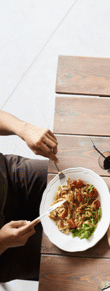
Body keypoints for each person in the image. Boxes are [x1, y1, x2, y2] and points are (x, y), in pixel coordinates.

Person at [0, 110, 57, 282]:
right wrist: (2, 242)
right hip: (5, 250)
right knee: (73, 262)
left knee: (80, 183)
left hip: (10, 177)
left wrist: (24, 129)